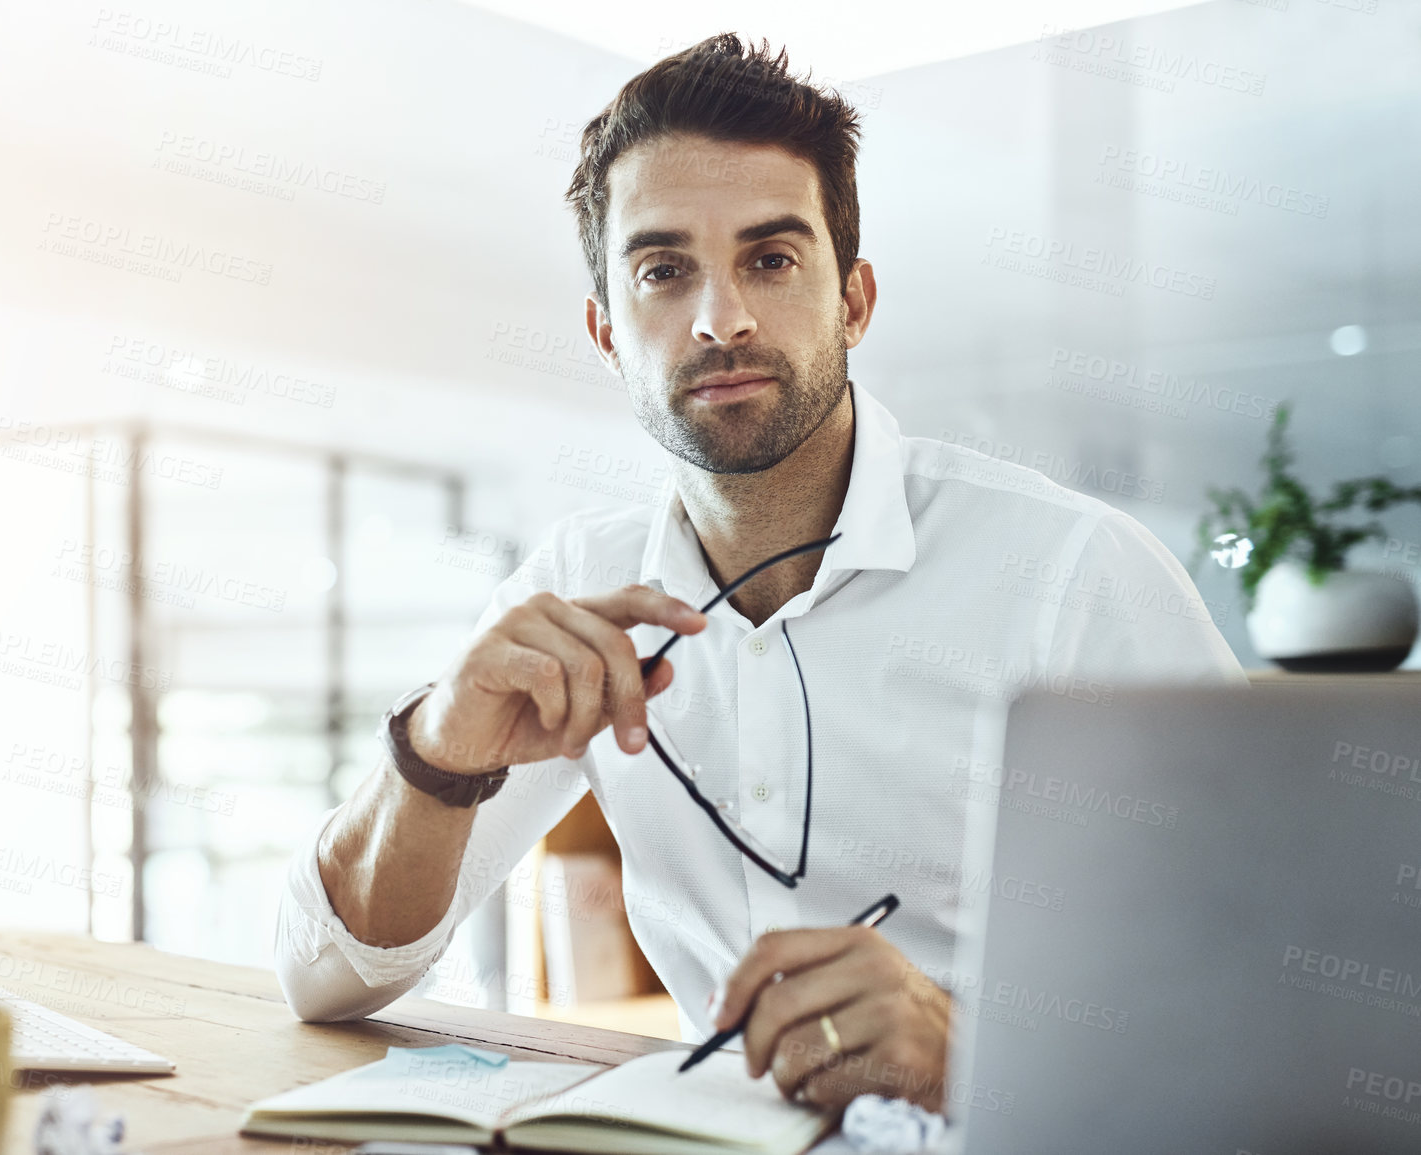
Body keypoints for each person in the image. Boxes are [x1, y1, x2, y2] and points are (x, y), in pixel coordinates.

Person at [276, 33, 1243, 1114]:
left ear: (855, 301)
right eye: (662, 270)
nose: (719, 320)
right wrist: (440, 750)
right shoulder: (579, 585)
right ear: (606, 332)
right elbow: (332, 978)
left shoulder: (1076, 574)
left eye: (771, 260)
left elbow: (1275, 1004)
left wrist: (972, 1056)